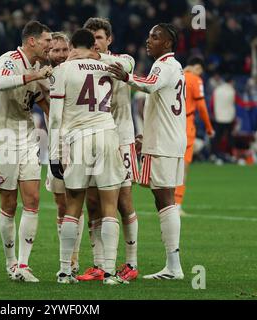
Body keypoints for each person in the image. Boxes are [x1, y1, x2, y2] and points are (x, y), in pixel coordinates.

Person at [108, 23, 186, 280]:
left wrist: (126, 77)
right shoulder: (176, 68)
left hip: (162, 144)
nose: (148, 40)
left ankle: (173, 267)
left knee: (165, 201)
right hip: (172, 140)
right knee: (166, 201)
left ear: (167, 44)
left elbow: (150, 85)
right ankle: (172, 264)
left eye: (155, 37)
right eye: (149, 35)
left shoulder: (162, 66)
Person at [49, 28, 126, 285]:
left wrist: (54, 153)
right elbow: (127, 64)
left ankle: (64, 271)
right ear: (94, 45)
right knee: (109, 207)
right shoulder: (107, 65)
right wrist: (98, 57)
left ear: (71, 45)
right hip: (106, 134)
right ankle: (110, 273)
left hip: (78, 140)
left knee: (73, 206)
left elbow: (56, 117)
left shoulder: (63, 71)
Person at [72, 17, 139, 282]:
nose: (95, 42)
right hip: (91, 139)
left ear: (108, 39)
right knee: (92, 202)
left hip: (120, 139)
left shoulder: (122, 59)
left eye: (99, 37)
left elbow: (126, 65)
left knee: (122, 201)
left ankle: (131, 263)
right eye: (91, 37)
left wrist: (88, 57)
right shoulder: (80, 66)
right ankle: (99, 264)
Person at [0, 21, 53, 282]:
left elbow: (41, 102)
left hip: (26, 137)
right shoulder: (9, 59)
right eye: (47, 41)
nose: (49, 45)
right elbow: (1, 84)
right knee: (9, 203)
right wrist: (36, 77)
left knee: (33, 199)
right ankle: (10, 262)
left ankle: (24, 265)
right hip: (3, 138)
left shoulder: (38, 67)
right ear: (32, 41)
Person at [40, 32, 83, 276]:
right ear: (49, 53)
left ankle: (74, 260)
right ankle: (67, 257)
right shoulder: (43, 77)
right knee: (60, 203)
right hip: (56, 145)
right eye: (55, 50)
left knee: (76, 202)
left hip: (78, 144)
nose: (60, 54)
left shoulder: (76, 73)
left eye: (64, 49)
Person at [175, 57, 215, 216]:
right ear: (197, 67)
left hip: (169, 124)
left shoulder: (175, 74)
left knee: (169, 166)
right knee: (182, 168)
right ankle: (176, 204)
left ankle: (165, 205)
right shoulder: (195, 79)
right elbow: (202, 106)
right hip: (186, 125)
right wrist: (209, 127)